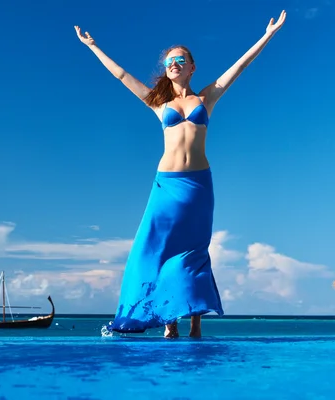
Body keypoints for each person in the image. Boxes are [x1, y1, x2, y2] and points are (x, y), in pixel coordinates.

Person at [74, 10, 286, 338]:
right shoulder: (159, 104)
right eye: (170, 60)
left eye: (180, 59)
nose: (174, 63)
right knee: (155, 248)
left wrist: (268, 35)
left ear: (192, 67)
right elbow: (120, 76)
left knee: (194, 251)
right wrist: (92, 46)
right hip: (166, 187)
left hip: (199, 185)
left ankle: (195, 322)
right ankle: (168, 322)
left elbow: (240, 67)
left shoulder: (206, 97)